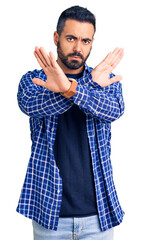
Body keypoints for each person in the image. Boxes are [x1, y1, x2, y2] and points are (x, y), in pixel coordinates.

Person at [16, 5, 125, 240]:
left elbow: (113, 110)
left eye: (86, 41)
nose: (78, 47)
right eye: (71, 38)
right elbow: (32, 106)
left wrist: (71, 89)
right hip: (50, 216)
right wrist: (83, 88)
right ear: (56, 37)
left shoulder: (106, 80)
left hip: (99, 216)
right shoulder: (34, 81)